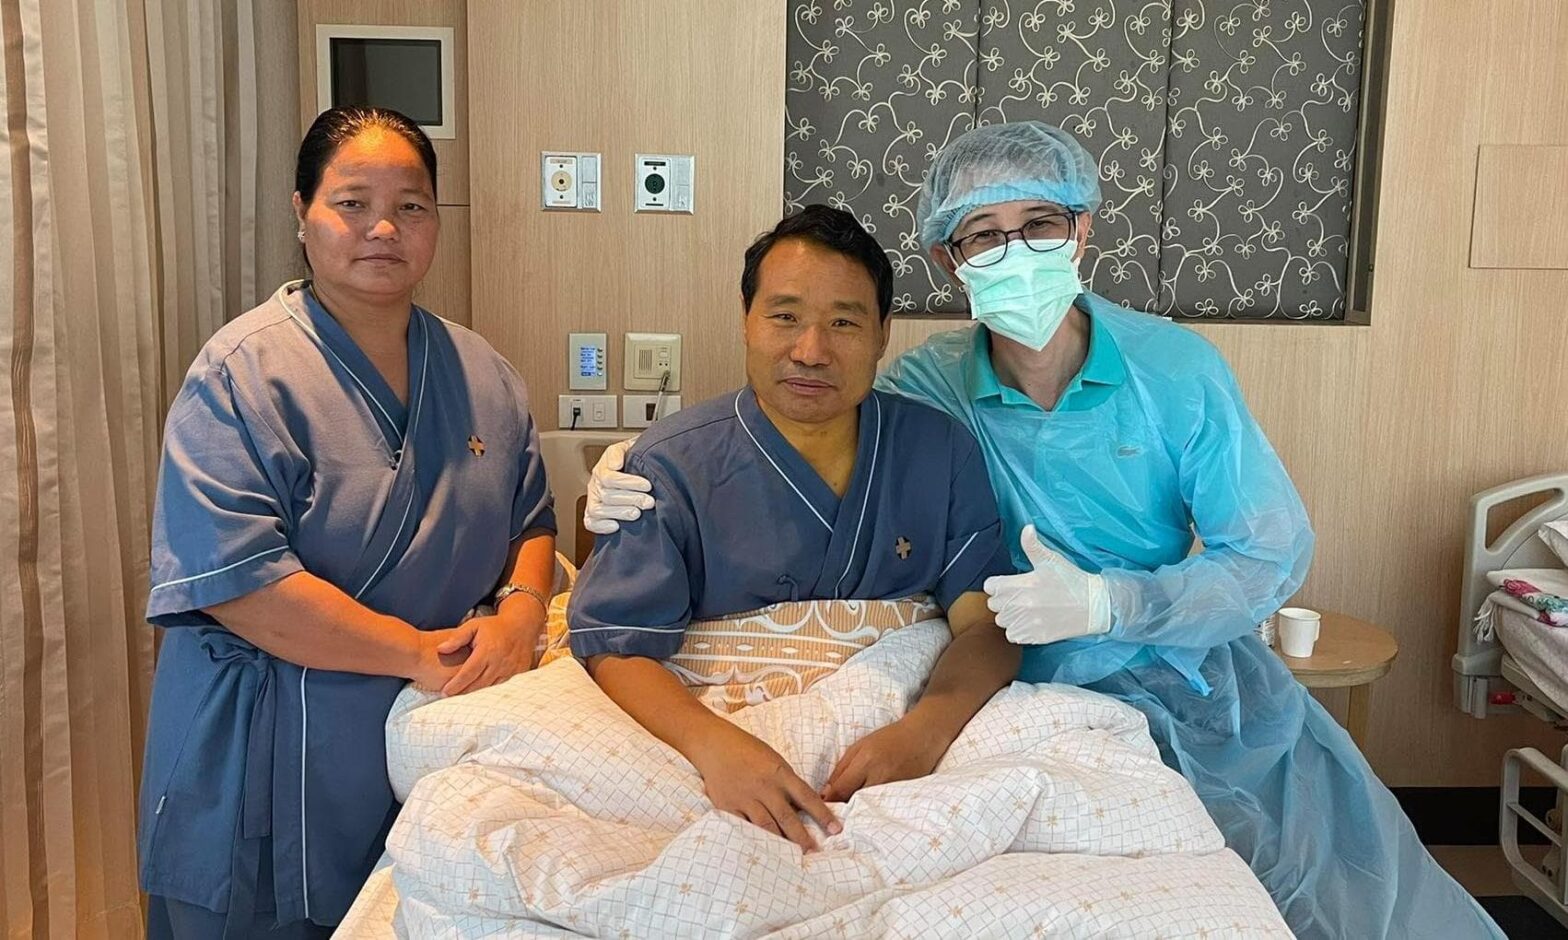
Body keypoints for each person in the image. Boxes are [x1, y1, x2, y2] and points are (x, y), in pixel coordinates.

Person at [583, 123, 1502, 938]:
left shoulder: (1173, 370)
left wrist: (1112, 603)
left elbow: (1266, 552)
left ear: (1083, 229)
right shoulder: (928, 391)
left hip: (1182, 680)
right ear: (950, 258)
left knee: (1314, 888)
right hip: (1017, 695)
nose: (1013, 250)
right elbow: (813, 420)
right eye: (983, 235)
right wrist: (643, 467)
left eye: (1040, 224)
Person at [138, 106, 557, 938]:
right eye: (352, 203)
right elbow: (242, 585)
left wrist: (521, 613)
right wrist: (417, 653)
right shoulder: (241, 374)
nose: (383, 229)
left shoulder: (485, 372)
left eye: (411, 206)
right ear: (302, 213)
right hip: (271, 750)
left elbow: (532, 519)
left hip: (433, 736)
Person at [569, 205, 1019, 851]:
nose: (811, 351)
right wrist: (716, 747)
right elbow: (618, 645)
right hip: (716, 735)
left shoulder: (938, 451)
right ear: (746, 320)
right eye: (785, 317)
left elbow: (985, 625)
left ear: (883, 334)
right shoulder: (670, 466)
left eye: (844, 322)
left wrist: (927, 730)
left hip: (904, 732)